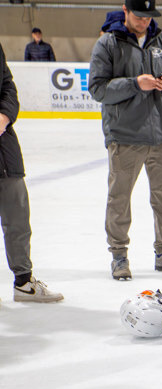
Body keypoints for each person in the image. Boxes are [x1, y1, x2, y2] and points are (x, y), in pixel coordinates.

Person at [88, 0, 162, 279]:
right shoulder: (108, 43)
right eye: (139, 16)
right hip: (125, 137)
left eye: (148, 16)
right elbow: (98, 89)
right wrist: (135, 84)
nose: (144, 21)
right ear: (126, 10)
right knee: (119, 199)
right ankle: (119, 256)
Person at [0, 42, 63, 304]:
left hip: (5, 153)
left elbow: (7, 86)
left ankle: (24, 283)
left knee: (18, 220)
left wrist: (4, 116)